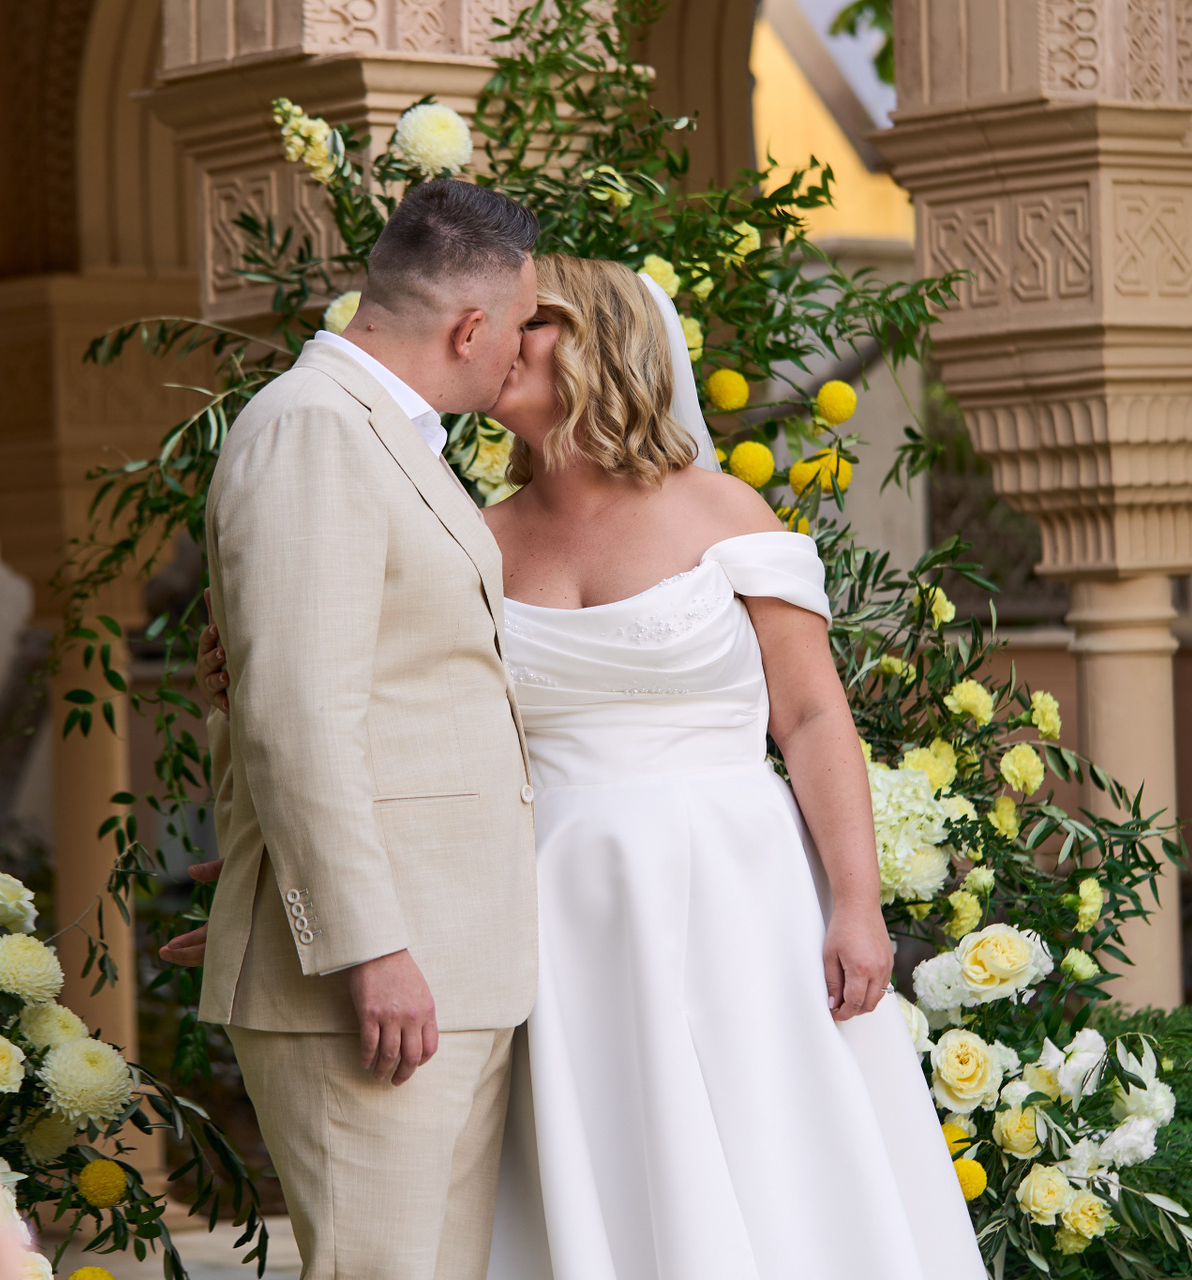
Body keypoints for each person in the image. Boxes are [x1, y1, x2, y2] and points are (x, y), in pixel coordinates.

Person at [186, 255, 985, 1278]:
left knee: (770, 1170)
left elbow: (814, 713)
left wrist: (857, 904)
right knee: (597, 1173)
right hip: (549, 909)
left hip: (739, 898)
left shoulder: (724, 511)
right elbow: (368, 707)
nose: (502, 337)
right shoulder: (468, 536)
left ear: (602, 343)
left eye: (534, 321)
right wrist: (274, 857)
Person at [188, 177, 543, 1280]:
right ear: (471, 328)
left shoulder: (388, 435)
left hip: (452, 953)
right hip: (377, 972)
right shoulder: (313, 428)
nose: (522, 351)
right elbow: (298, 711)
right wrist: (366, 944)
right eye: (522, 325)